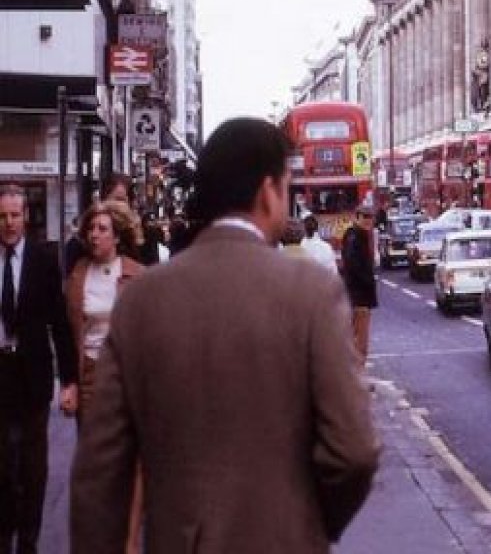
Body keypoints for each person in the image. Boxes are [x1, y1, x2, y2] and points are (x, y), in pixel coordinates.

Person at [71, 118, 380, 552]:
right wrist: (308, 522)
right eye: (287, 187)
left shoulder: (140, 301)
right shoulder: (311, 293)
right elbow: (354, 450)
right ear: (267, 192)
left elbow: (100, 473)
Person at [0, 183, 78, 554]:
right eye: (2, 216)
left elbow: (60, 323)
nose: (8, 223)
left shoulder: (43, 260)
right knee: (2, 465)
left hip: (32, 375)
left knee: (32, 466)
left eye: (15, 215)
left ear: (26, 218)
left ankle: (27, 541)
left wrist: (71, 380)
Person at [64, 200, 146, 553]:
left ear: (117, 237)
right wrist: (70, 383)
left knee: (129, 459)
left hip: (125, 375)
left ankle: (128, 538)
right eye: (90, 230)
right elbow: (66, 334)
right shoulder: (77, 275)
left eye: (102, 230)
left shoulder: (136, 274)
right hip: (90, 374)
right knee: (96, 461)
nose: (94, 236)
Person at [342, 205, 378, 366]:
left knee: (357, 338)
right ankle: (357, 379)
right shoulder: (355, 236)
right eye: (365, 217)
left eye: (370, 217)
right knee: (360, 342)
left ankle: (355, 376)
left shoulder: (359, 234)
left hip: (358, 295)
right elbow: (352, 263)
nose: (368, 221)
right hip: (359, 296)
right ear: (357, 217)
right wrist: (368, 280)